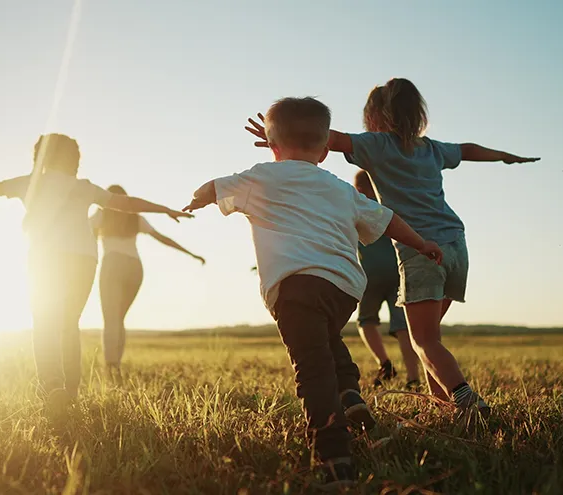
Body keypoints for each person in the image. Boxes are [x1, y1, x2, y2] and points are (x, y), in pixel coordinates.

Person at [246, 78, 539, 423]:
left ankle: (466, 400)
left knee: (424, 342)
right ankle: (440, 408)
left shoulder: (377, 145)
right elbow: (469, 148)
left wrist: (277, 137)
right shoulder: (431, 148)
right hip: (456, 246)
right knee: (431, 338)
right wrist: (505, 157)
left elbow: (323, 137)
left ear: (375, 116)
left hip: (421, 250)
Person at [186, 97, 442, 489]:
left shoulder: (259, 177)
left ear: (272, 146)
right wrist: (422, 243)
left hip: (295, 288)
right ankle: (351, 394)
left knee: (312, 367)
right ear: (324, 151)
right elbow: (387, 219)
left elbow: (213, 187)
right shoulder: (339, 188)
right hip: (343, 290)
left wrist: (196, 200)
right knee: (325, 340)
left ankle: (334, 455)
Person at [0, 133, 192, 410]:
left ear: (42, 156)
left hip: (46, 258)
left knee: (44, 321)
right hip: (84, 259)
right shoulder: (84, 187)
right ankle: (70, 392)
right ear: (74, 159)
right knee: (69, 324)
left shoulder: (31, 183)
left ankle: (53, 386)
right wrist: (165, 209)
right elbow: (126, 204)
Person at [90, 185, 205, 383]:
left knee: (111, 320)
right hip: (134, 268)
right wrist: (191, 254)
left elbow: (84, 236)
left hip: (112, 264)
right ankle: (115, 366)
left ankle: (111, 368)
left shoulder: (100, 216)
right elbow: (163, 238)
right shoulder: (135, 218)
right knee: (119, 319)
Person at [352, 171, 421, 389]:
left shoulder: (356, 209)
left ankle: (385, 363)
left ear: (359, 189)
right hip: (398, 273)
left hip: (369, 275)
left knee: (366, 321)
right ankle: (413, 378)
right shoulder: (391, 205)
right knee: (403, 327)